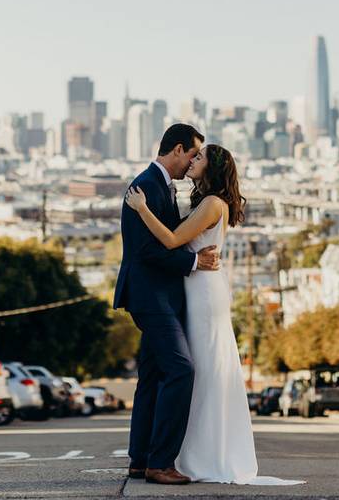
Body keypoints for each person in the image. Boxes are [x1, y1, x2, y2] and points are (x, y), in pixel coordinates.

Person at [124, 142, 304, 486]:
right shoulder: (205, 201)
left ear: (212, 168)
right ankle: (175, 454)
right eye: (193, 154)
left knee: (197, 370)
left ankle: (193, 455)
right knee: (195, 371)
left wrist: (142, 209)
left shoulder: (211, 204)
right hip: (195, 287)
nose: (194, 160)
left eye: (200, 157)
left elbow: (173, 240)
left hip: (203, 293)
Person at [113, 123, 221, 485]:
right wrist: (193, 263)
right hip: (151, 296)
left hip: (161, 295)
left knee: (153, 375)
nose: (192, 162)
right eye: (192, 154)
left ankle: (140, 459)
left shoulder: (162, 185)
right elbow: (147, 252)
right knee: (181, 370)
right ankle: (161, 462)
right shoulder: (145, 184)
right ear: (177, 150)